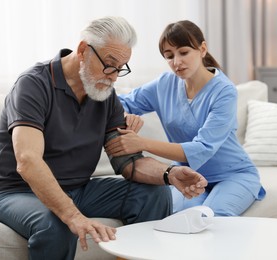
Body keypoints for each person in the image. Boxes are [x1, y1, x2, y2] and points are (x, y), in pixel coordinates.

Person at [0, 16, 207, 260]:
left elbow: (128, 161)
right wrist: (73, 215)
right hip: (16, 192)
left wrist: (170, 174)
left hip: (78, 188)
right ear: (82, 51)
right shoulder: (34, 85)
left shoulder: (105, 94)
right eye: (109, 64)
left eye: (120, 68)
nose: (113, 76)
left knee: (153, 193)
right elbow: (27, 160)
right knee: (56, 222)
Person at [105, 20, 266, 216]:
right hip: (190, 177)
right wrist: (126, 114)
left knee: (213, 216)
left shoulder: (224, 91)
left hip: (233, 175)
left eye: (183, 52)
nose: (176, 62)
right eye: (169, 56)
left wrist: (141, 143)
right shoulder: (164, 85)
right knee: (179, 217)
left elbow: (202, 148)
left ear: (202, 49)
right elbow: (118, 103)